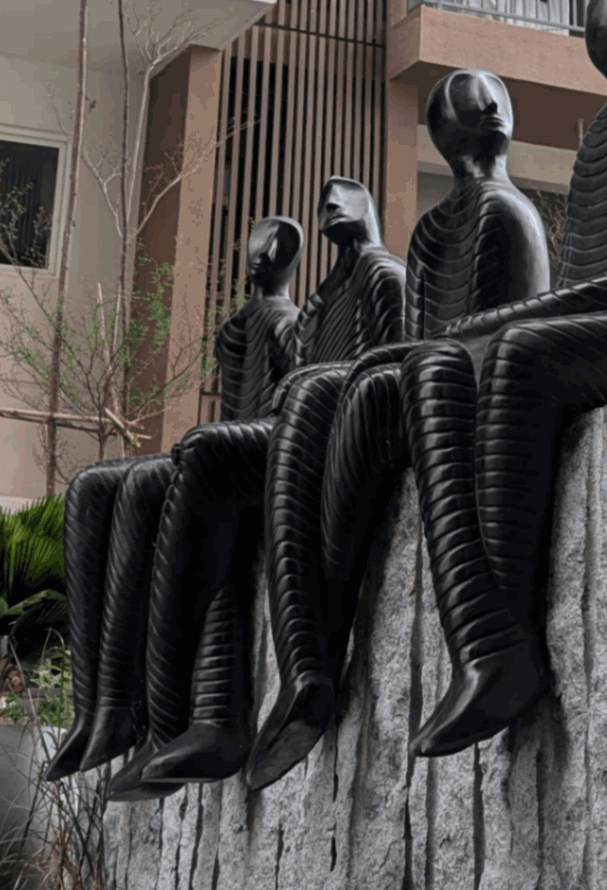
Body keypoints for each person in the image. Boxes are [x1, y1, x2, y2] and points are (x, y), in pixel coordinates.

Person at [404, 0, 607, 760]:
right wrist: (493, 325)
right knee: (451, 368)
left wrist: (504, 319)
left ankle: (509, 639)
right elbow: (586, 282)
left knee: (516, 353)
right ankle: (485, 643)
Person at [247, 69, 549, 792]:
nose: (487, 107)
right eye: (470, 102)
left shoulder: (511, 214)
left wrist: (384, 361)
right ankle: (306, 667)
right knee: (314, 399)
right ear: (445, 133)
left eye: (492, 98)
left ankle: (356, 643)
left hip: (472, 386)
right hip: (421, 378)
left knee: (351, 385)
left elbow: (513, 331)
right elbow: (414, 339)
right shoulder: (433, 228)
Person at [123, 177, 404, 789]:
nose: (331, 205)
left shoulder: (383, 275)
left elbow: (392, 361)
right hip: (298, 422)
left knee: (203, 456)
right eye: (324, 196)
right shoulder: (319, 301)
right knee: (146, 482)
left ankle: (209, 711)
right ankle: (144, 717)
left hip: (334, 426)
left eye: (345, 196)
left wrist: (304, 388)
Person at [44, 211, 302, 786]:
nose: (260, 255)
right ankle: (102, 707)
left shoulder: (290, 324)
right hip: (230, 445)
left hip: (265, 451)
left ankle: (177, 719)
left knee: (178, 484)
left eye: (273, 245)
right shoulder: (236, 327)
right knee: (94, 485)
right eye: (254, 244)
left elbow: (296, 404)